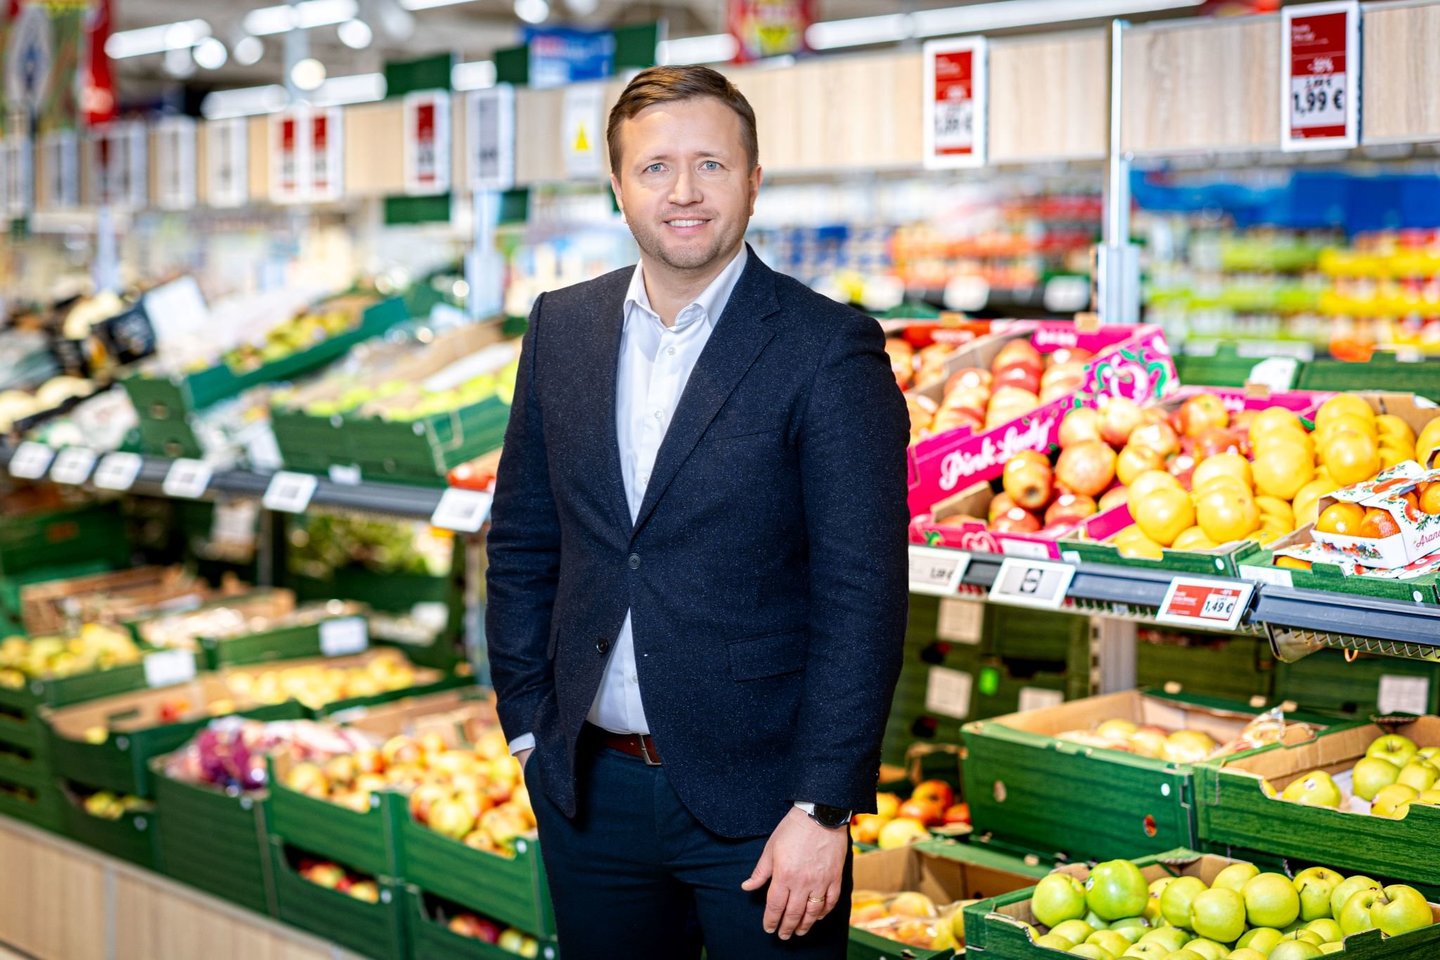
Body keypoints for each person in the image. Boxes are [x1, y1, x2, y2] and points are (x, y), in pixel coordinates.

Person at [485, 63, 909, 960]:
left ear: (753, 180)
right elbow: (523, 540)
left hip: (766, 806)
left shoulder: (828, 348)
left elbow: (862, 594)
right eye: (655, 167)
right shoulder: (561, 327)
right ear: (618, 185)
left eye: (711, 164)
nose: (684, 191)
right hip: (589, 792)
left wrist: (823, 807)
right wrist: (527, 728)